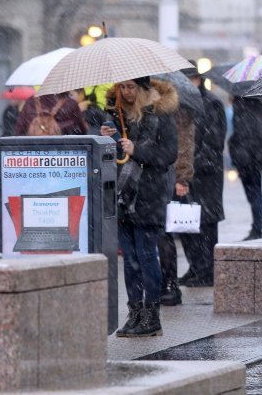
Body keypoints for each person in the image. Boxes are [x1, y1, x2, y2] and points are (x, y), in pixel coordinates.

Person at [102, 77, 178, 337]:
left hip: (149, 194)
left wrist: (137, 150)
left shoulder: (161, 114)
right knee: (130, 259)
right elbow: (119, 158)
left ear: (144, 89)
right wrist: (107, 139)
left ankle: (151, 316)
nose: (126, 92)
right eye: (122, 87)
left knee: (146, 257)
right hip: (123, 195)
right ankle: (134, 313)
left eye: (131, 87)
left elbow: (168, 155)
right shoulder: (117, 115)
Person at [178, 66, 226, 287]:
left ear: (198, 79)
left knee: (205, 224)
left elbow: (214, 141)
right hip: (187, 174)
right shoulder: (180, 105)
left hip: (206, 175)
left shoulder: (212, 103)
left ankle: (207, 271)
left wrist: (194, 164)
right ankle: (195, 267)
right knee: (186, 223)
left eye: (189, 79)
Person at [158, 104, 196, 305]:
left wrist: (182, 177)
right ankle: (163, 283)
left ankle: (169, 284)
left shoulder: (177, 109)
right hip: (148, 176)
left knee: (165, 233)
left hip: (166, 176)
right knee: (157, 234)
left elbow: (184, 143)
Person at [229, 97, 262, 241]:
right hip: (257, 157)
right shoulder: (258, 105)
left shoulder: (240, 106)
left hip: (246, 158)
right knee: (256, 193)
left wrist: (235, 149)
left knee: (253, 194)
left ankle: (257, 228)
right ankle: (257, 226)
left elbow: (241, 134)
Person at [14, 92, 87, 136]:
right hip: (62, 153)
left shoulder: (31, 101)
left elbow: (19, 130)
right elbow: (81, 130)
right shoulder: (70, 103)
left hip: (34, 152)